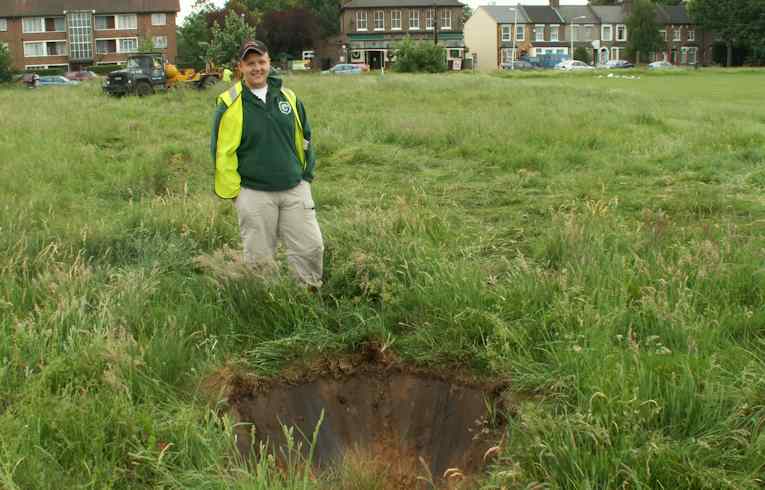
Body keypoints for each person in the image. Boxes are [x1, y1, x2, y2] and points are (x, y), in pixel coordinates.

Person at [211, 40, 323, 288]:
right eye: (250, 64)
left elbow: (306, 137)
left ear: (269, 63)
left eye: (261, 62)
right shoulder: (229, 103)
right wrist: (235, 194)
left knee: (310, 247)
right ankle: (266, 304)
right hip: (253, 192)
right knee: (260, 259)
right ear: (240, 67)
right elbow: (220, 151)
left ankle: (308, 297)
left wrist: (307, 175)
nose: (257, 68)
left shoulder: (289, 97)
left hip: (295, 187)